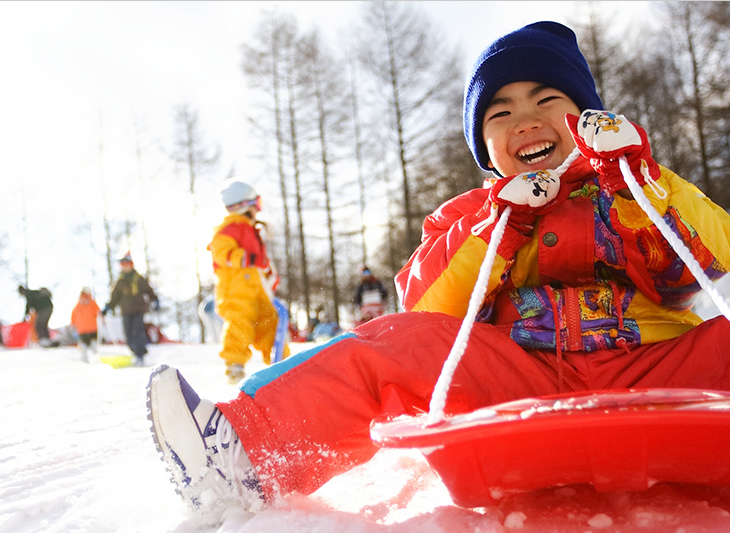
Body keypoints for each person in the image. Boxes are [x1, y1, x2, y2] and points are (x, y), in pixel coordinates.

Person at [146, 21, 730, 521]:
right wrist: (500, 227)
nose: (524, 119)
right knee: (392, 345)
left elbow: (710, 256)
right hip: (519, 376)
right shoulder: (470, 214)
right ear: (485, 146)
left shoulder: (637, 185)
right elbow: (427, 307)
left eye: (546, 100)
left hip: (655, 369)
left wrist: (639, 180)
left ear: (587, 117)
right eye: (500, 112)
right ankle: (247, 455)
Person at [207, 178, 288, 384]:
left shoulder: (252, 231)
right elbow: (221, 251)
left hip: (257, 292)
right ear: (244, 205)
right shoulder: (227, 229)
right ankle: (234, 366)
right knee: (239, 324)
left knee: (271, 323)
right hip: (235, 291)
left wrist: (270, 276)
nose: (258, 211)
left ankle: (283, 365)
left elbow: (263, 263)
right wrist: (246, 258)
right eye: (256, 205)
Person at [103, 252, 158, 365]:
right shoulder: (120, 281)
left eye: (127, 264)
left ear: (131, 265)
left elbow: (149, 291)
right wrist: (108, 307)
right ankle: (135, 354)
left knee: (137, 332)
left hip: (138, 310)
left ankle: (140, 355)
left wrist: (155, 300)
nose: (125, 267)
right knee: (128, 334)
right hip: (126, 311)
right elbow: (115, 297)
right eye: (123, 265)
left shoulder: (138, 279)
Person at [71, 286, 101, 362]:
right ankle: (96, 356)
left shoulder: (78, 304)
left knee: (84, 343)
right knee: (93, 341)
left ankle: (84, 357)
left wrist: (73, 324)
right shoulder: (91, 302)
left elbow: (73, 316)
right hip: (92, 327)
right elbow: (98, 312)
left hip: (81, 329)